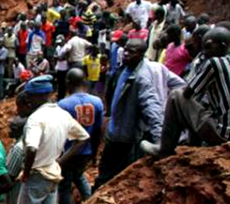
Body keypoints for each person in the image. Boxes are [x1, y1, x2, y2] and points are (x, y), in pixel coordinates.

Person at [15, 76, 89, 204]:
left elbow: (30, 147)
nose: (28, 100)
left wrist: (26, 172)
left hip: (37, 174)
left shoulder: (36, 119)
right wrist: (60, 161)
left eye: (30, 96)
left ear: (37, 96)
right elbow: (83, 137)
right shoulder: (62, 115)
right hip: (53, 173)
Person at [94, 39, 174, 189]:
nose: (126, 54)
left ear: (141, 54)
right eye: (126, 50)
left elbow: (152, 107)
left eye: (132, 52)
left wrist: (159, 141)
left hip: (125, 138)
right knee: (105, 172)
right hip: (114, 131)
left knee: (110, 178)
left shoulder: (141, 78)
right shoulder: (125, 70)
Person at [141, 27, 230, 157]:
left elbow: (188, 93)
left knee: (176, 96)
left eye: (208, 47)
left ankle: (164, 148)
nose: (204, 52)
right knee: (200, 106)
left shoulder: (215, 63)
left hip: (222, 133)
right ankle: (192, 143)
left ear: (222, 46)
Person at [57, 69, 104, 204]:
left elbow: (60, 134)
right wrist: (95, 154)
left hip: (68, 152)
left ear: (68, 83)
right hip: (86, 151)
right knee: (79, 176)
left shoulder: (63, 105)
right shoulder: (97, 102)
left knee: (65, 186)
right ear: (84, 81)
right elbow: (98, 131)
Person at [3, 114, 28, 204]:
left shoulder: (19, 148)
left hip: (14, 194)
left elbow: (10, 176)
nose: (9, 131)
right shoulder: (23, 142)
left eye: (13, 128)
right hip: (22, 191)